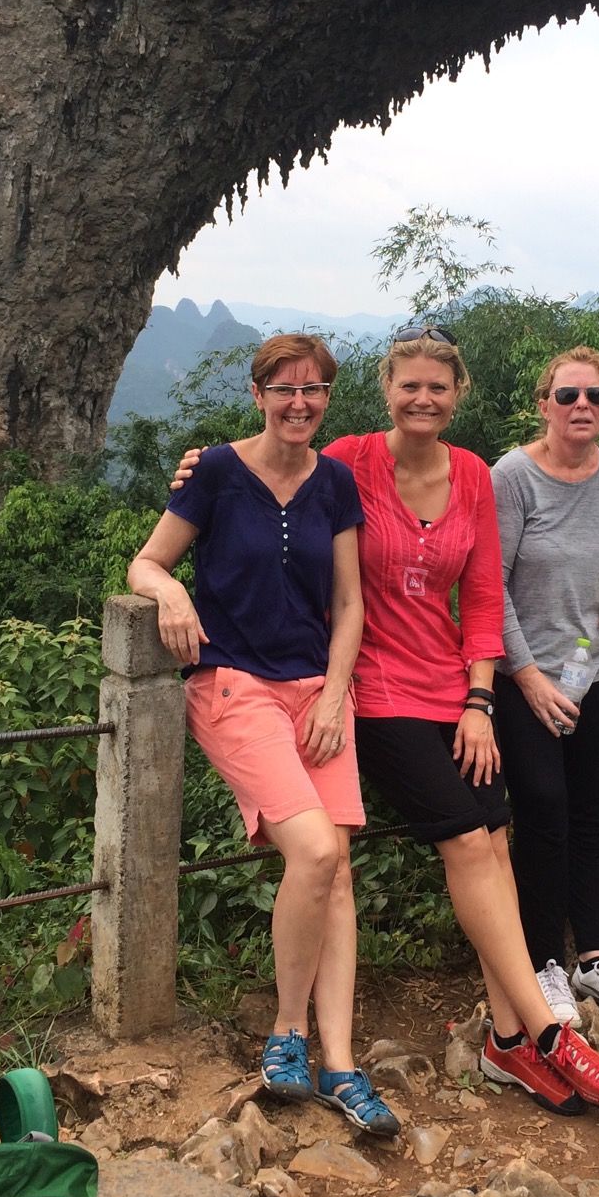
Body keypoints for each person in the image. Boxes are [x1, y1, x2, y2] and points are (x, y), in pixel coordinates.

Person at [175, 327, 599, 1115]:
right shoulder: (350, 459)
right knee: (464, 836)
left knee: (494, 836)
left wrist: (481, 700)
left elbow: (484, 597)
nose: (423, 399)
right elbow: (266, 465)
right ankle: (547, 1032)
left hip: (450, 684)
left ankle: (507, 1045)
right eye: (408, 385)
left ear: (459, 396)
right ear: (386, 390)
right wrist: (191, 468)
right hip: (372, 690)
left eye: (438, 387)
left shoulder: (472, 476)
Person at [128, 333, 400, 1135]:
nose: (299, 403)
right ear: (257, 394)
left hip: (317, 691)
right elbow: (147, 563)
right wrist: (172, 600)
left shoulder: (336, 484)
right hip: (234, 686)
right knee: (314, 852)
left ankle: (342, 1066)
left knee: (337, 868)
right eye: (283, 389)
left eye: (314, 389)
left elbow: (348, 605)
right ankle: (288, 1032)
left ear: (327, 398)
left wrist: (334, 695)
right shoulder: (214, 472)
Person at [491, 346, 599, 1030]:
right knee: (542, 811)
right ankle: (542, 963)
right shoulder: (514, 477)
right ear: (543, 404)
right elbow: (486, 587)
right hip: (526, 674)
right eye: (567, 396)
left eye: (594, 395)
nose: (581, 406)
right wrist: (526, 677)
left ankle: (594, 956)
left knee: (591, 809)